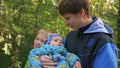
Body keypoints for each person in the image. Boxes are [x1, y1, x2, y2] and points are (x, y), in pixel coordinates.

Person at [40, 0, 118, 68]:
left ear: (82, 12)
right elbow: (58, 57)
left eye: (68, 18)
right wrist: (44, 59)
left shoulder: (103, 42)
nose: (66, 23)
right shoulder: (70, 37)